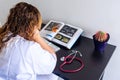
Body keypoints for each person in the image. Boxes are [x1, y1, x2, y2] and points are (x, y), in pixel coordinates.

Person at [0, 2, 58, 80]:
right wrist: (37, 37)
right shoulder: (30, 48)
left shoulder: (3, 36)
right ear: (31, 27)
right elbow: (51, 64)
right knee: (52, 76)